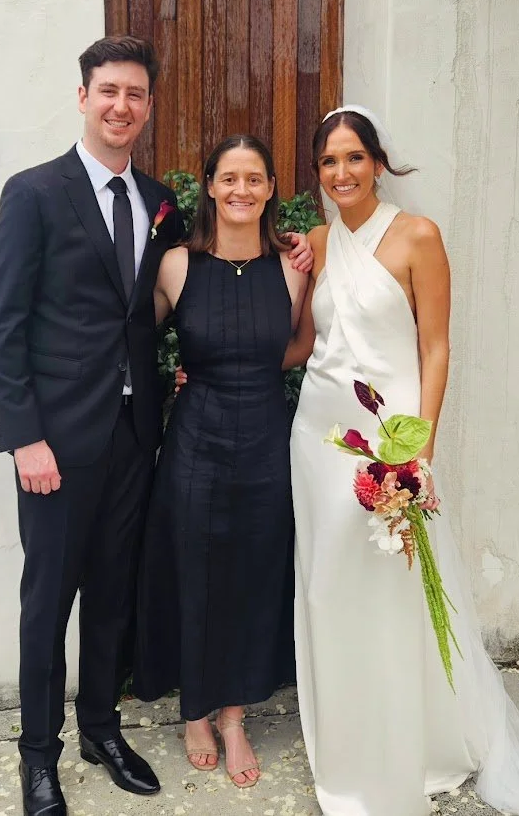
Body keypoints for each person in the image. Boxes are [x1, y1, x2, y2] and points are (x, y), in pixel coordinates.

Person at [0, 35, 313, 816]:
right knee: (48, 601)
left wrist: (288, 252)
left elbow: (185, 305)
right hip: (56, 445)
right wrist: (24, 434)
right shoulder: (33, 193)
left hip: (137, 438)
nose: (121, 106)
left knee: (112, 599)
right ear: (84, 97)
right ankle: (39, 757)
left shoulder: (158, 203)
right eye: (108, 92)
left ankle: (102, 727)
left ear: (148, 104)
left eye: (135, 93)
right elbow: (2, 327)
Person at [283, 105, 519, 816]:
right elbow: (306, 344)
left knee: (394, 589)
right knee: (324, 589)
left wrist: (420, 452)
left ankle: (414, 739)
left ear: (377, 161)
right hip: (316, 438)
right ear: (317, 174)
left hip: (388, 443)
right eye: (327, 162)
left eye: (352, 158)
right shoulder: (315, 238)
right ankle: (343, 740)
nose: (340, 173)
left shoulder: (416, 235)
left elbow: (435, 348)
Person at [133, 135, 310, 789]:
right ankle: (193, 712)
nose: (241, 189)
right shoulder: (175, 264)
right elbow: (130, 341)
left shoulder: (294, 266)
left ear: (268, 189)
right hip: (195, 438)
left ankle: (233, 715)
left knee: (254, 572)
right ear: (208, 185)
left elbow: (295, 350)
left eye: (254, 179)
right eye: (228, 178)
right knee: (193, 569)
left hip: (266, 435)